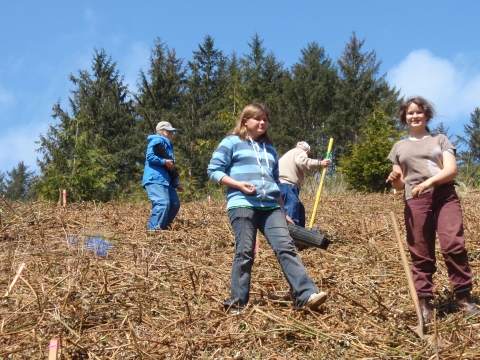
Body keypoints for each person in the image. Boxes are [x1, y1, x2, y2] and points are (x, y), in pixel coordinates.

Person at [207, 103, 328, 314]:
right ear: (245, 120)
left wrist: (283, 212)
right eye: (257, 118)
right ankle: (237, 303)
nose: (262, 122)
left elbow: (275, 181)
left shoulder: (270, 149)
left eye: (265, 119)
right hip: (243, 204)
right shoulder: (232, 142)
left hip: (271, 206)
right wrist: (238, 185)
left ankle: (305, 295)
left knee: (286, 248)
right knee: (245, 252)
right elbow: (214, 170)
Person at [386, 96, 479, 321]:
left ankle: (464, 299)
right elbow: (400, 186)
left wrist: (428, 183)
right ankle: (425, 304)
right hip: (414, 201)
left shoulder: (440, 139)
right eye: (410, 113)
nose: (415, 116)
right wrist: (395, 178)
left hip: (444, 196)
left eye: (419, 112)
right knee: (421, 253)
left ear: (427, 115)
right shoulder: (399, 146)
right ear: (404, 118)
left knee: (453, 245)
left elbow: (451, 170)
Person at [142, 121, 184, 230]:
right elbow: (150, 156)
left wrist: (176, 183)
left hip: (166, 181)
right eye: (168, 130)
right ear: (161, 131)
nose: (171, 133)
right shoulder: (157, 140)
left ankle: (162, 228)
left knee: (174, 204)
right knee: (162, 204)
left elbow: (170, 168)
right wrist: (163, 161)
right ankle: (153, 232)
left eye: (172, 131)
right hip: (155, 179)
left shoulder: (168, 145)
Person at [279, 141, 331, 228]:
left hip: (279, 186)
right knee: (292, 209)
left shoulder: (287, 155)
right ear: (307, 151)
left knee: (299, 209)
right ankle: (291, 236)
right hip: (287, 185)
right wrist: (320, 163)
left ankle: (301, 236)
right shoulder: (300, 152)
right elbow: (302, 162)